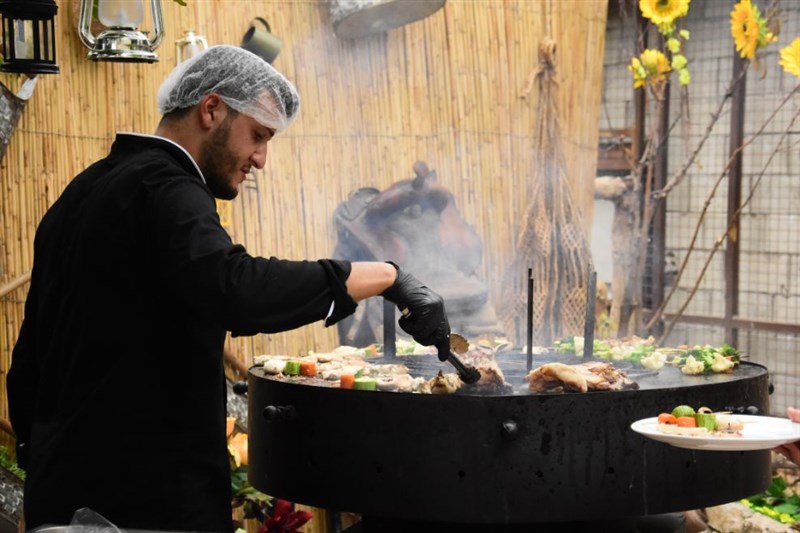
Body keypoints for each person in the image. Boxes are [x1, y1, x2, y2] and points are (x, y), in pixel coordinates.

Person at [6, 45, 450, 532]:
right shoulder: (167, 188)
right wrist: (387, 276)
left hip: (61, 500)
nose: (261, 159)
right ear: (211, 109)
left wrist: (45, 465)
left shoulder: (83, 190)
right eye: (258, 135)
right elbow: (236, 288)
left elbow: (29, 358)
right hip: (147, 508)